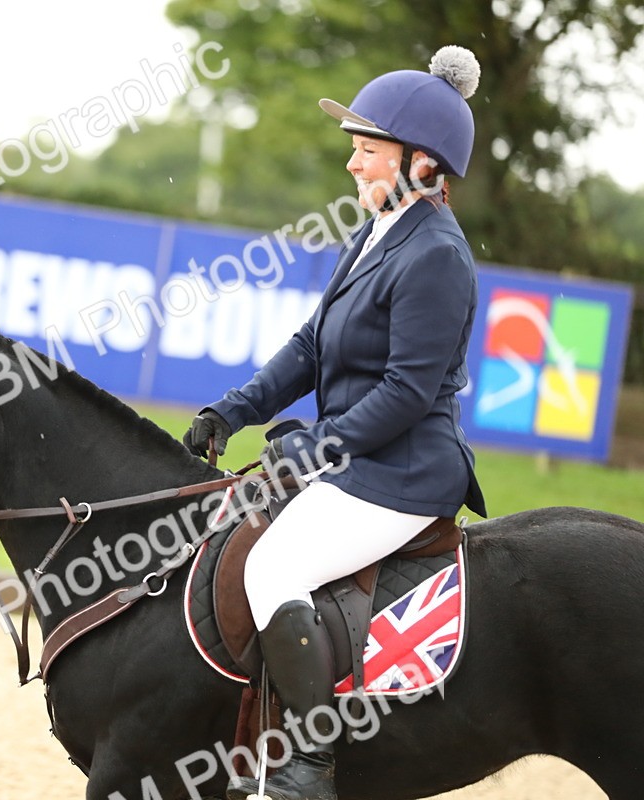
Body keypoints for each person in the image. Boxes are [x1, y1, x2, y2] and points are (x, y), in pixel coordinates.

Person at [182, 46, 488, 800]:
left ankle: (308, 768)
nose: (352, 165)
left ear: (421, 163)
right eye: (353, 149)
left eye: (366, 150)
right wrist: (236, 409)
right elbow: (314, 347)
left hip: (404, 473)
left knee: (272, 567)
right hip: (358, 459)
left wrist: (313, 450)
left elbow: (407, 394)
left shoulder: (438, 256)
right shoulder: (375, 235)